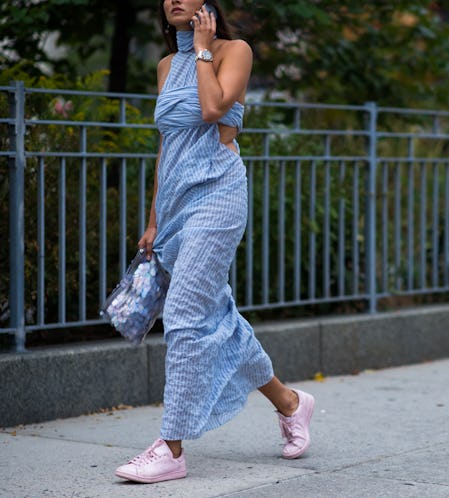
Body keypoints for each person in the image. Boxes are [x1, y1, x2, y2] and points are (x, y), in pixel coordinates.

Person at [114, 0, 314, 483]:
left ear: (208, 5)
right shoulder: (165, 65)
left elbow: (212, 108)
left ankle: (172, 446)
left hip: (218, 196)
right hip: (178, 204)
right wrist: (155, 218)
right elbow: (168, 143)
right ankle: (291, 402)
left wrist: (202, 48)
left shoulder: (234, 50)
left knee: (184, 314)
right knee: (216, 312)